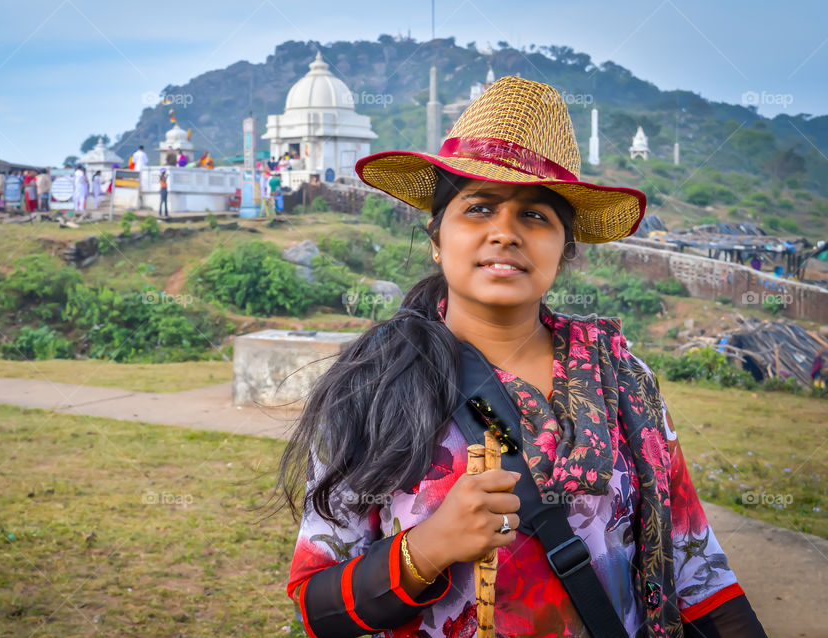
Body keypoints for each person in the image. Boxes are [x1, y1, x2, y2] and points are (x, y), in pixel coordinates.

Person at [278, 76, 767, 638]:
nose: (505, 233)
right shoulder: (374, 385)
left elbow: (697, 569)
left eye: (536, 216)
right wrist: (427, 548)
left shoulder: (622, 376)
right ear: (437, 237)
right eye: (479, 208)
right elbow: (316, 608)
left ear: (565, 247)